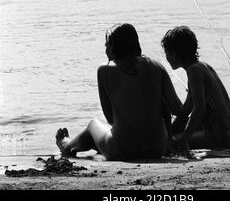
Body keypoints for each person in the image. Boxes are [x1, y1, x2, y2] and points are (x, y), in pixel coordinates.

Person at [56, 23, 182, 160]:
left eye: (106, 44)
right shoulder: (157, 66)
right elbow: (177, 109)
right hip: (158, 149)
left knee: (93, 124)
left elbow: (110, 118)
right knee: (100, 136)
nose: (105, 49)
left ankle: (67, 145)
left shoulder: (104, 70)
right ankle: (88, 145)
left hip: (122, 150)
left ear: (113, 47)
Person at [161, 26, 230, 154]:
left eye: (168, 53)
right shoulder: (201, 66)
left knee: (172, 143)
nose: (167, 57)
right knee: (171, 134)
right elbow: (188, 107)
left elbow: (199, 109)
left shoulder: (194, 71)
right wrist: (170, 130)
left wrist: (183, 140)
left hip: (221, 133)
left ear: (178, 53)